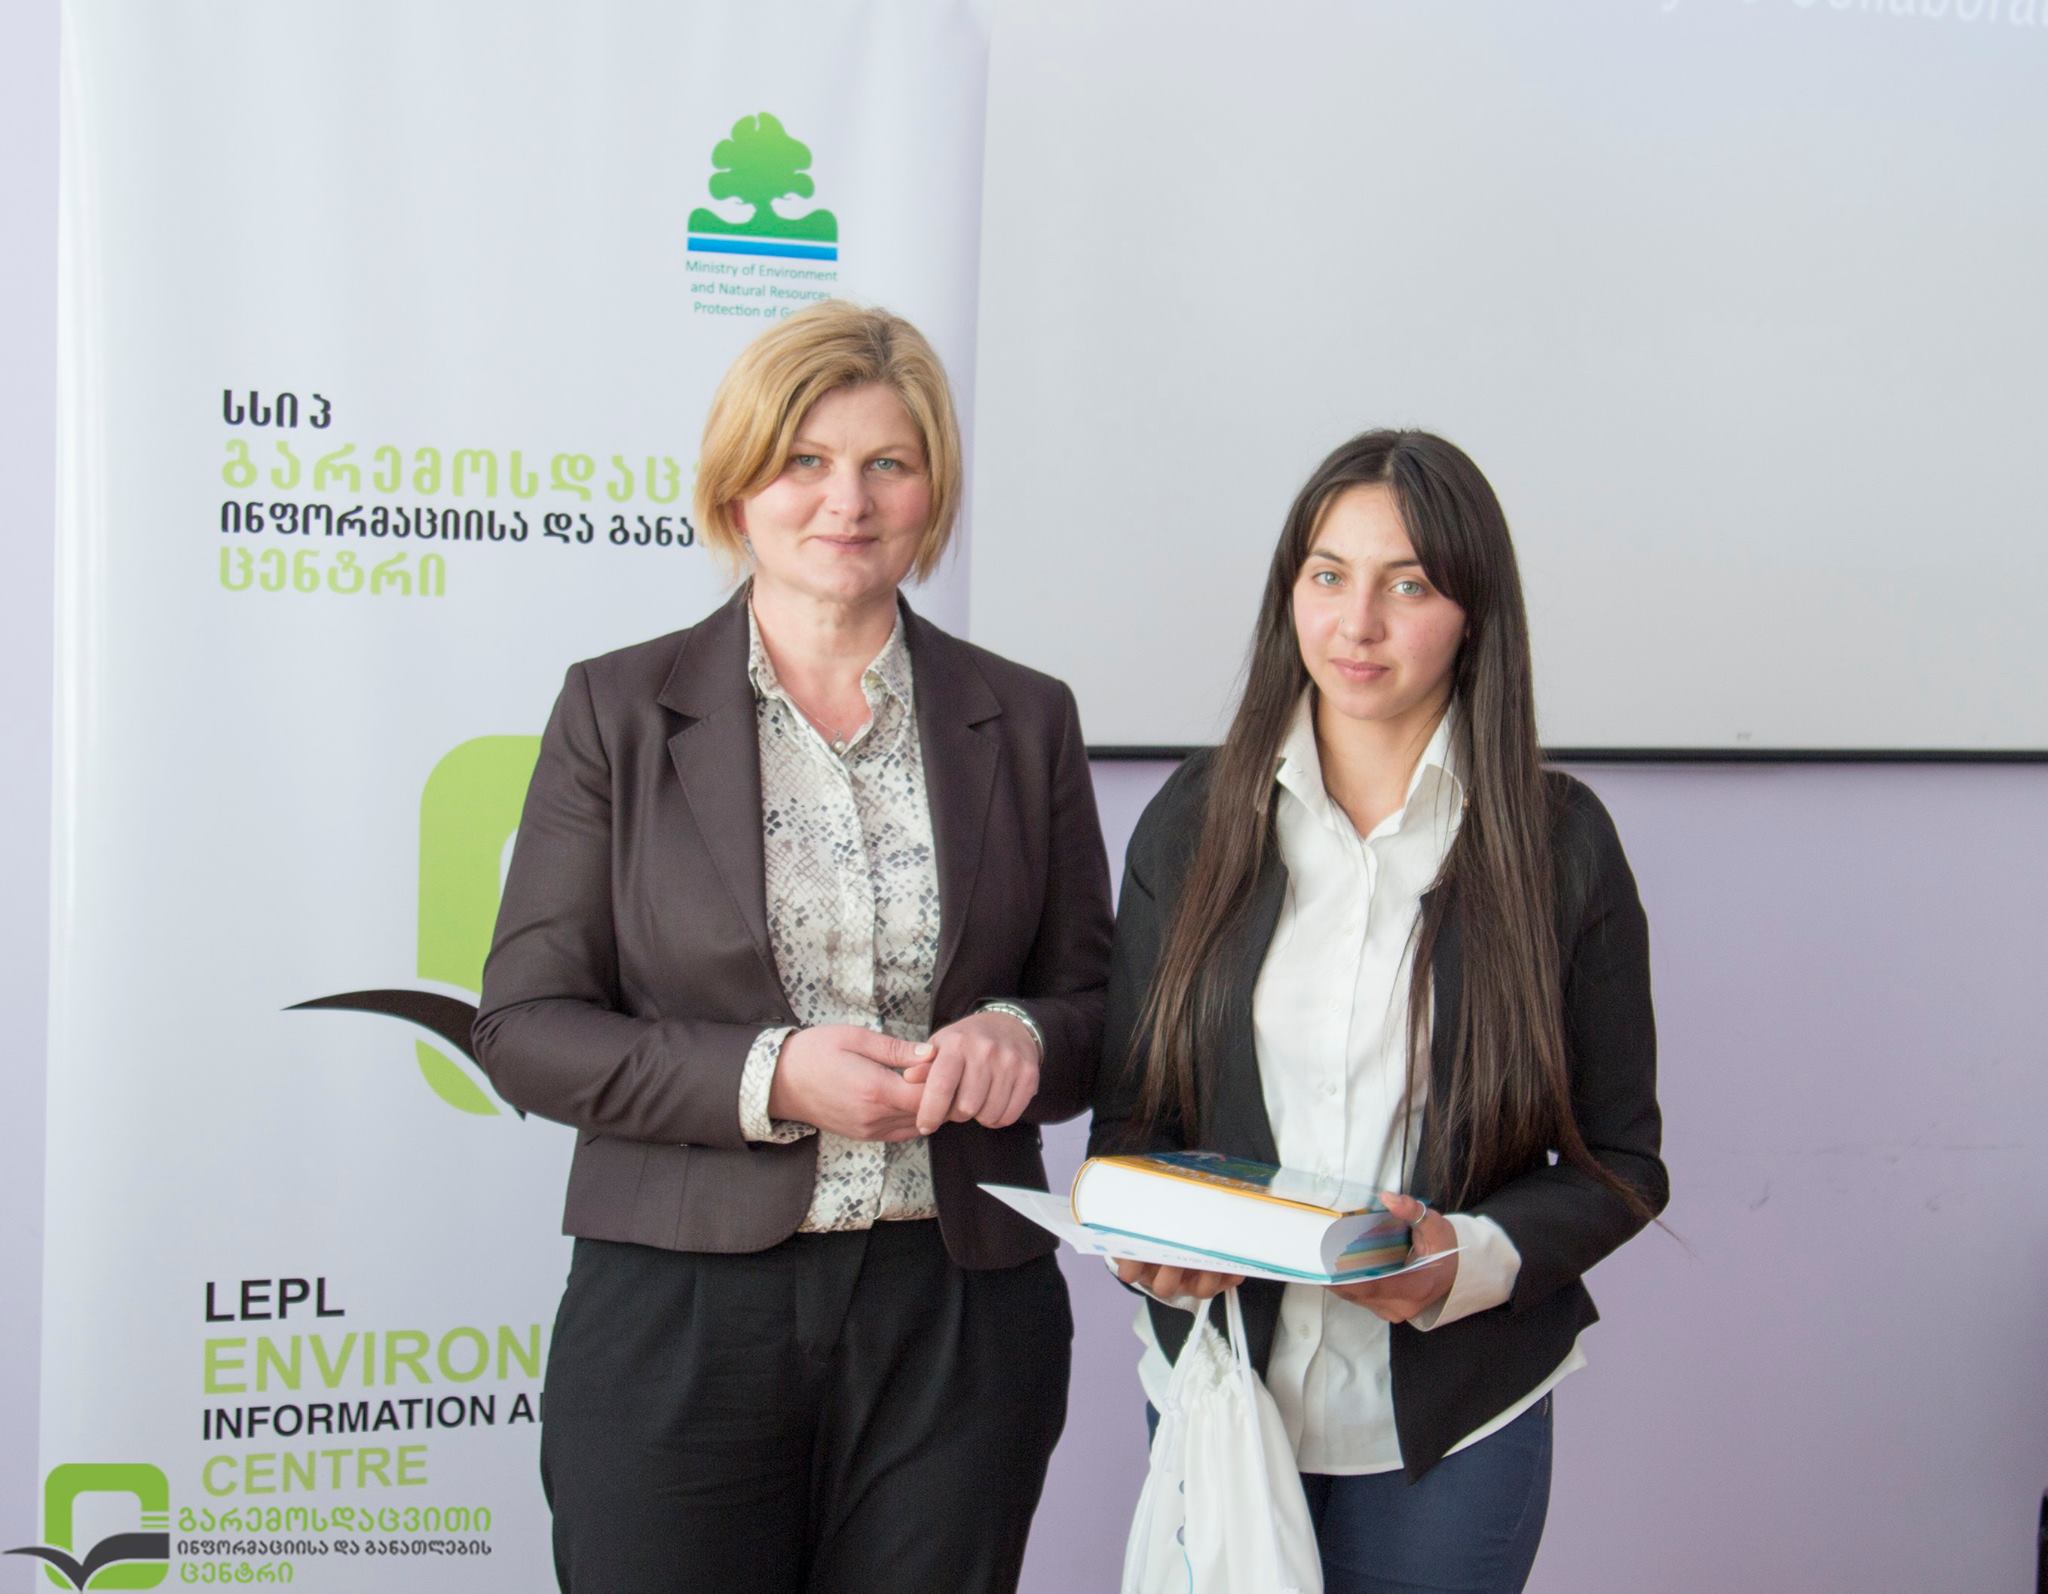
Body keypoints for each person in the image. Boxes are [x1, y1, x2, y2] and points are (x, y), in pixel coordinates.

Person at [474, 300, 1112, 1594]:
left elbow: (1101, 1006)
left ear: (933, 488)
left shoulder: (1026, 715)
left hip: (958, 1308)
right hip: (680, 1304)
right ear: (738, 483)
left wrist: (1023, 1036)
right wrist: (770, 1076)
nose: (847, 500)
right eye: (804, 460)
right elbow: (523, 1028)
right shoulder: (616, 710)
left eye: (889, 462)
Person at [1089, 429, 1667, 1594]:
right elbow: (1133, 1125)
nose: (1355, 623)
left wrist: (1466, 1257)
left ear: (1471, 612)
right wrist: (1147, 1246)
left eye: (1406, 585)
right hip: (1222, 1392)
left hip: (1456, 1418)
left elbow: (1620, 1163)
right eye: (1327, 575)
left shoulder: (1558, 843)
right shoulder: (1192, 822)